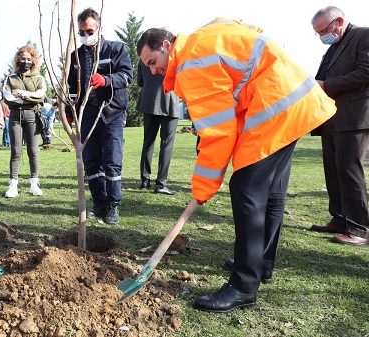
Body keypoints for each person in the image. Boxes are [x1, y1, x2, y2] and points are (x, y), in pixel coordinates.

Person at [137, 21, 336, 312]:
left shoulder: (193, 62)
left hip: (275, 105)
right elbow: (249, 31)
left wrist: (203, 187)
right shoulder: (204, 38)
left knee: (246, 188)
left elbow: (219, 131)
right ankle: (260, 264)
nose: (153, 70)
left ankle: (244, 285)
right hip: (295, 99)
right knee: (270, 193)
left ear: (167, 46)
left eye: (153, 62)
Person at [309, 6, 369, 246]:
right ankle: (340, 218)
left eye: (323, 30)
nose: (321, 36)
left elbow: (366, 73)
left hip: (354, 117)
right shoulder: (334, 46)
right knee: (333, 170)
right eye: (318, 33)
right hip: (332, 117)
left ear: (339, 21)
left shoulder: (363, 36)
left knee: (349, 171)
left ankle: (360, 229)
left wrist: (326, 85)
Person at [67, 8, 133, 224]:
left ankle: (113, 205)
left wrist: (107, 80)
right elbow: (71, 88)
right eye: (82, 32)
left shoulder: (116, 49)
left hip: (111, 111)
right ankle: (99, 203)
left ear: (99, 28)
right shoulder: (74, 56)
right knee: (91, 161)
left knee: (112, 160)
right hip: (86, 113)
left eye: (90, 31)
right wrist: (69, 113)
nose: (86, 36)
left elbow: (127, 75)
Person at [2, 45, 46, 198]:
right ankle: (13, 183)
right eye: (22, 59)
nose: (25, 62)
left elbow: (41, 96)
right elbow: (7, 97)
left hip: (33, 117)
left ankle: (34, 182)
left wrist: (21, 94)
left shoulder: (39, 78)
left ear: (33, 61)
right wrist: (28, 99)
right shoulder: (10, 78)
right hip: (15, 117)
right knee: (16, 151)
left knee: (33, 151)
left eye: (28, 59)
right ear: (18, 60)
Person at [136, 59, 179, 195]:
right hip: (169, 102)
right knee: (166, 144)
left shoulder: (144, 58)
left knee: (148, 142)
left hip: (149, 102)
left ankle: (144, 179)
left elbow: (140, 82)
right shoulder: (173, 58)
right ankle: (161, 184)